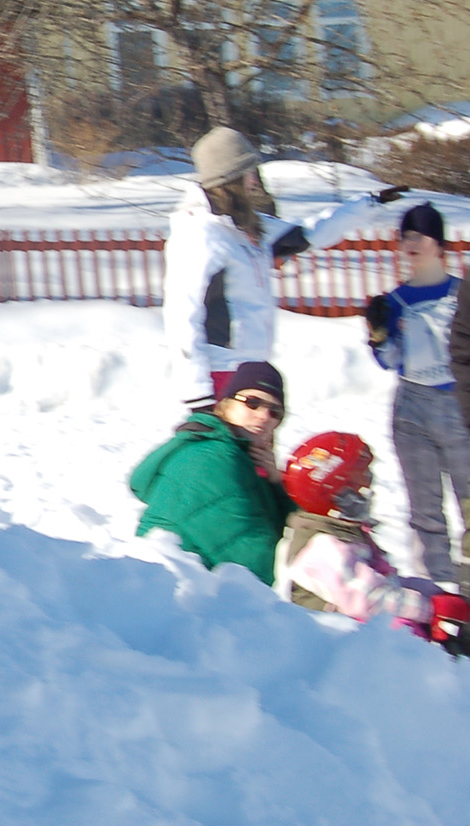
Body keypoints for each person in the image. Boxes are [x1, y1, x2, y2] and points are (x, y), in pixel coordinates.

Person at [163, 126, 394, 414]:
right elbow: (182, 315)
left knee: (259, 457)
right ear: (229, 178)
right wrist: (197, 395)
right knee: (236, 458)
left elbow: (308, 234)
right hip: (220, 373)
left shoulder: (246, 226)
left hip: (251, 368)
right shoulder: (200, 234)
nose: (254, 182)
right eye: (249, 172)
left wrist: (368, 203)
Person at [275, 431, 470, 652]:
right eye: (362, 480)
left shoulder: (343, 534)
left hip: (369, 638)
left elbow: (383, 583)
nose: (369, 488)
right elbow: (370, 599)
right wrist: (430, 608)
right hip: (341, 652)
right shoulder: (321, 549)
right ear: (339, 493)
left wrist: (432, 593)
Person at [364, 202, 469, 587]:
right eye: (404, 235)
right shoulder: (395, 301)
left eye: (418, 235)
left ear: (438, 243)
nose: (409, 242)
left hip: (459, 403)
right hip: (412, 410)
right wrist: (377, 334)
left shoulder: (461, 294)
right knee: (425, 511)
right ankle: (439, 592)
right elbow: (390, 360)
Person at [131, 361, 294, 583]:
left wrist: (276, 483)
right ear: (226, 404)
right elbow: (256, 559)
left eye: (275, 411)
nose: (264, 416)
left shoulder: (240, 457)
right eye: (253, 403)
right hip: (168, 593)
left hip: (193, 593)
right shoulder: (211, 458)